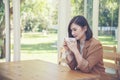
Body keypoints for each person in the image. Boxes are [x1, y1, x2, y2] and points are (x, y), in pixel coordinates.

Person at [63, 15, 109, 80]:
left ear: (85, 28)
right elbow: (72, 66)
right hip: (82, 77)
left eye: (75, 30)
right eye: (71, 30)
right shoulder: (77, 43)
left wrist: (75, 51)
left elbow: (86, 68)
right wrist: (67, 50)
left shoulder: (96, 45)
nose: (72, 33)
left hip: (97, 78)